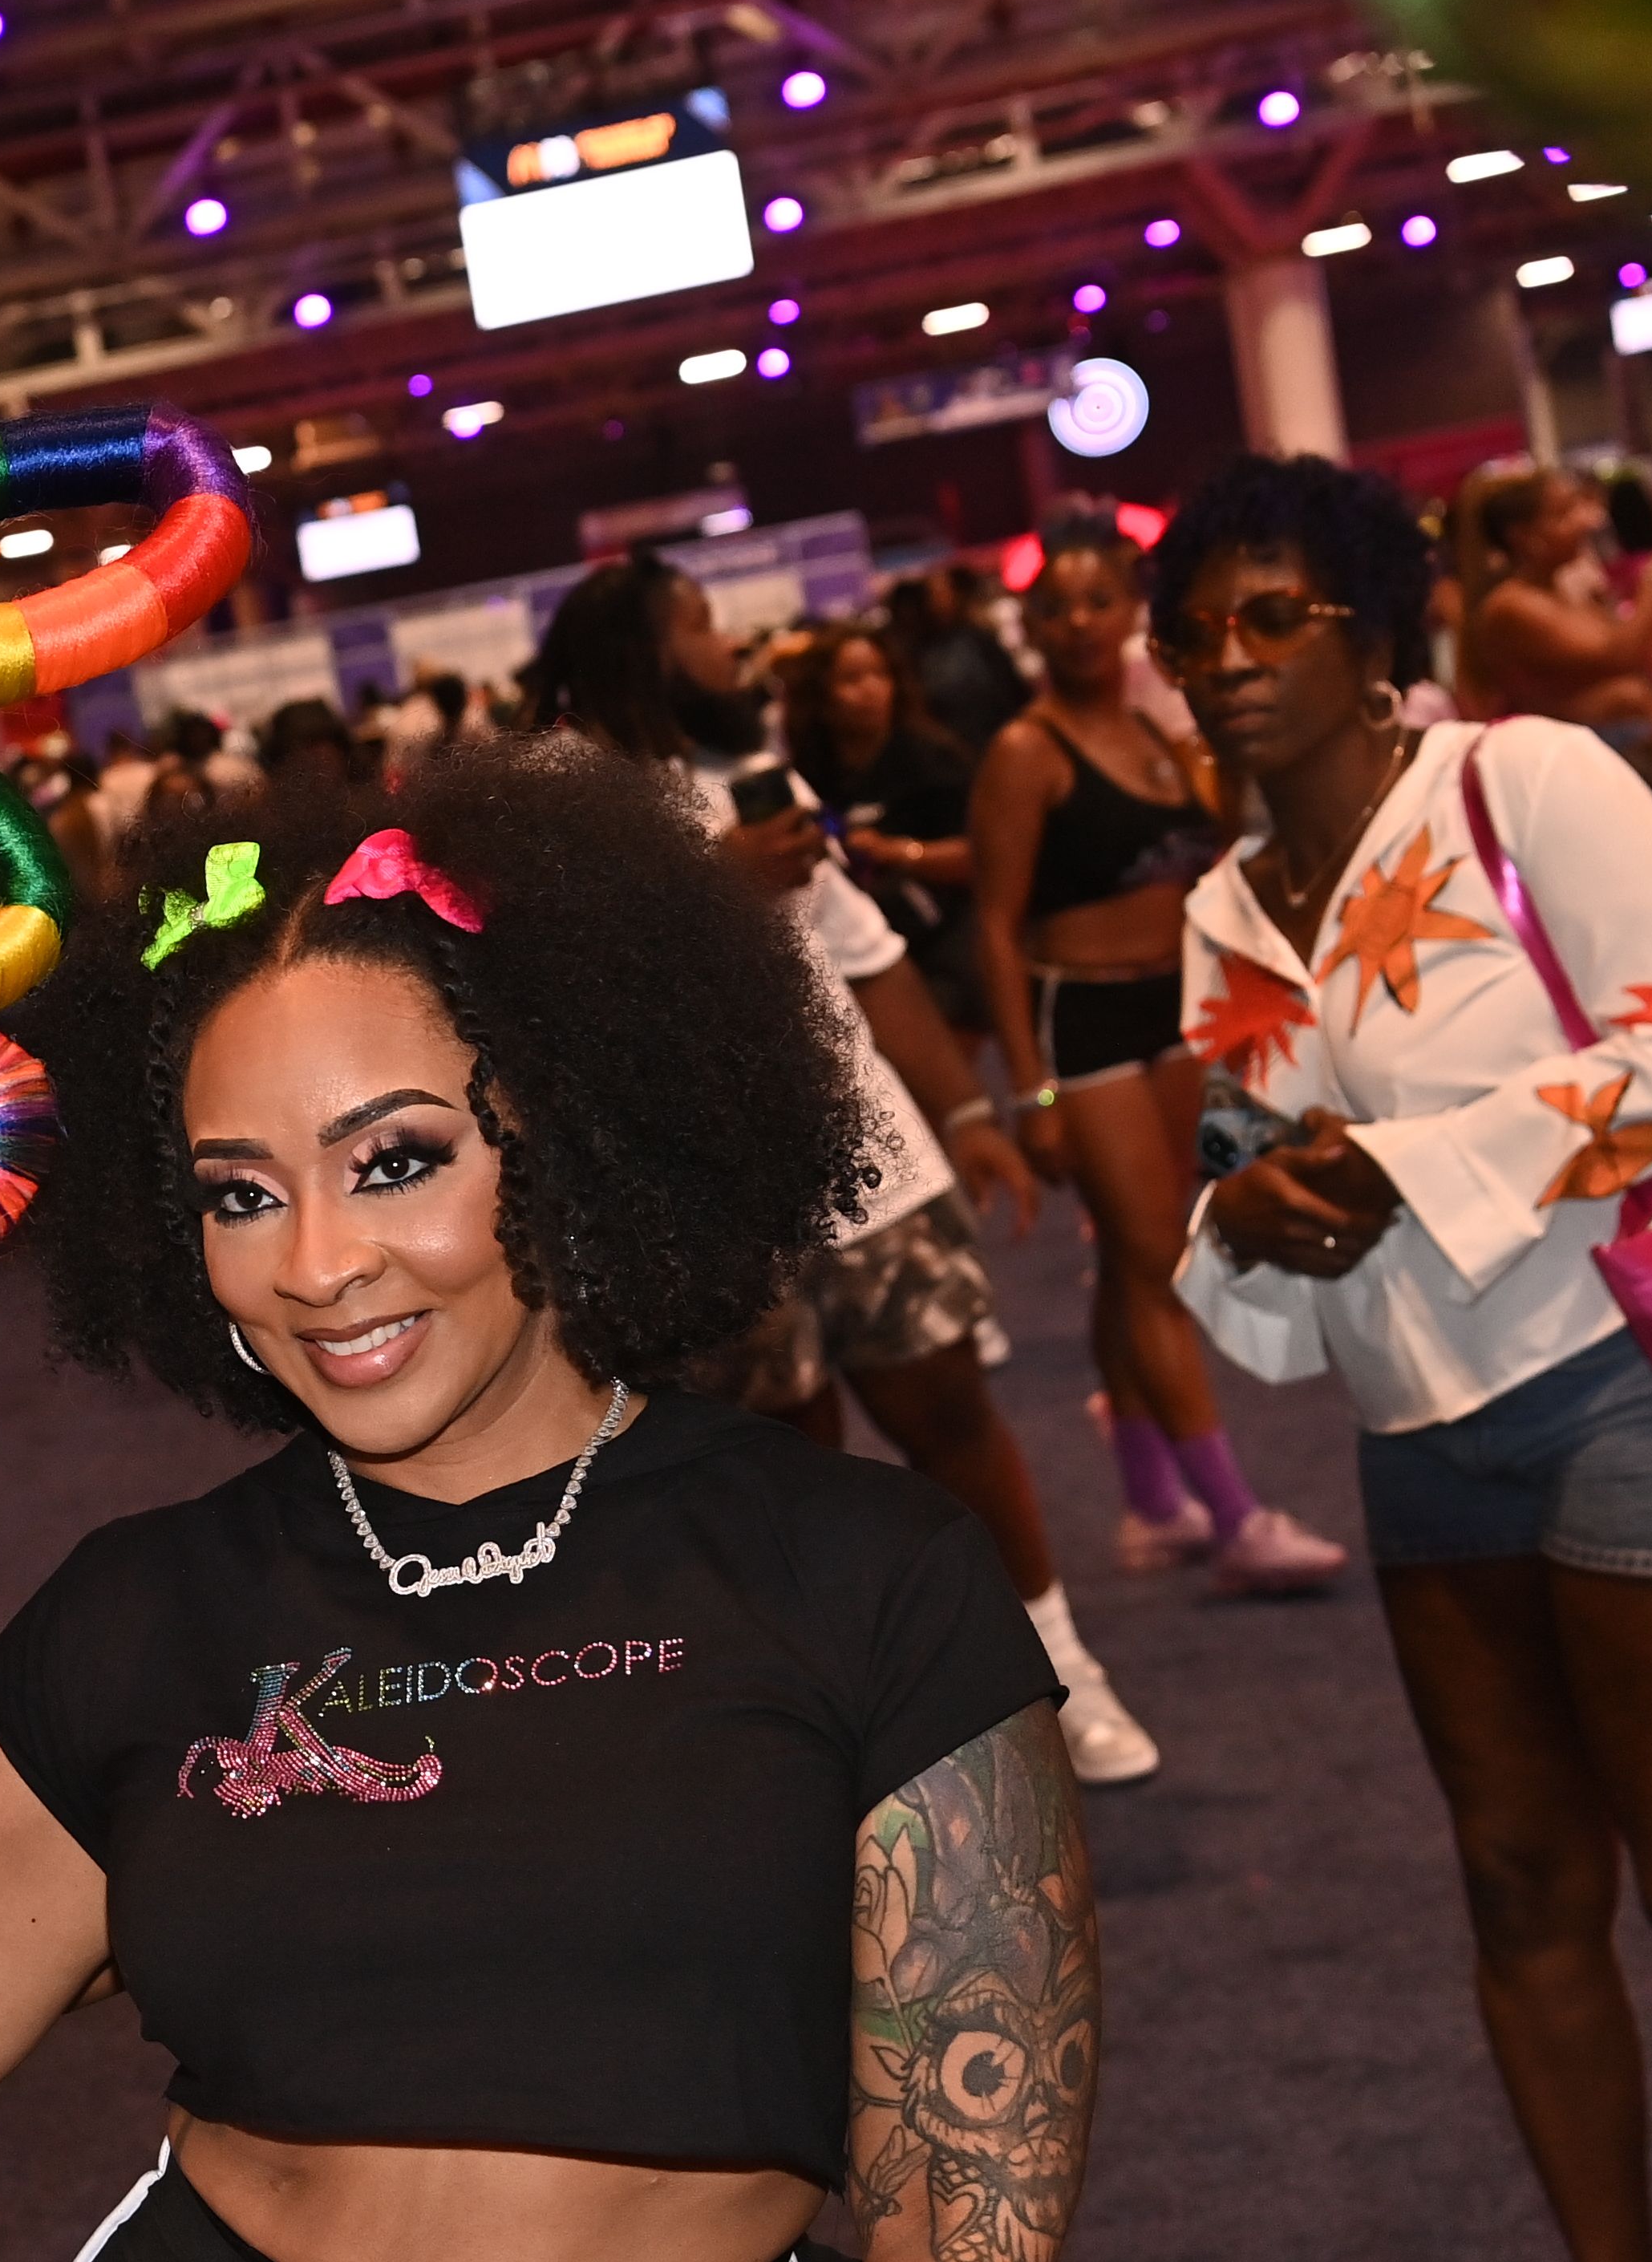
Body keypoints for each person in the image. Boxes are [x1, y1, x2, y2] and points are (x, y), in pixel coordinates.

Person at [0, 760, 1087, 2262]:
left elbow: (975, 2212)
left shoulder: (864, 1579)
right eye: (238, 1191)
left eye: (393, 1157)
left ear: (568, 1135)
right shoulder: (138, 1619)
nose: (316, 1264)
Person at [1160, 451, 1652, 2262]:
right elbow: (1233, 1169)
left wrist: (1394, 1163)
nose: (1229, 662)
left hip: (1628, 1366)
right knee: (1525, 1891)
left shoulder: (1525, 783)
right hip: (1417, 1432)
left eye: (1275, 617)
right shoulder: (1220, 911)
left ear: (1377, 632)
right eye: (1196, 635)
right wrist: (1255, 1220)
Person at [531, 555, 1159, 1786]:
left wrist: (971, 1110)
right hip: (702, 1191)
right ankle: (836, 1712)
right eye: (706, 628)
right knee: (781, 1458)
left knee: (952, 1416)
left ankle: (1060, 1669)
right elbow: (561, 982)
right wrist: (723, 880)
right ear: (642, 650)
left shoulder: (760, 778)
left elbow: (865, 961)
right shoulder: (558, 795)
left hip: (869, 1163)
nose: (735, 653)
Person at [968, 519, 1346, 1594]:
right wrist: (1027, 1091)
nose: (1079, 623)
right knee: (1153, 1266)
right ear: (1031, 625)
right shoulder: (1025, 752)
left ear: (1133, 614)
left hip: (1179, 1019)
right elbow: (995, 926)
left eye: (1098, 602)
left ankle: (1147, 1502)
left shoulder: (1161, 735)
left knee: (1157, 1254)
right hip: (1081, 1029)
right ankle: (1235, 1520)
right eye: (1057, 607)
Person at [1449, 460, 1652, 803]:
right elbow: (1620, 655)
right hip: (1582, 777)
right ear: (1523, 536)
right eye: (1562, 514)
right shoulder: (1511, 606)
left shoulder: (1553, 589)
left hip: (1619, 758)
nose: (1587, 522)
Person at [783, 624, 983, 1022]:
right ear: (820, 697)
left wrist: (898, 852)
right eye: (852, 679)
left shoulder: (932, 758)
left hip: (947, 943)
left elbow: (983, 857)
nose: (871, 690)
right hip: (856, 944)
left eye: (881, 674)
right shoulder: (809, 773)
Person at [892, 564, 1034, 760]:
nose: (938, 600)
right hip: (950, 757)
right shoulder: (915, 652)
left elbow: (1013, 692)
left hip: (1000, 742)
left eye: (942, 592)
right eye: (932, 594)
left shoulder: (979, 639)